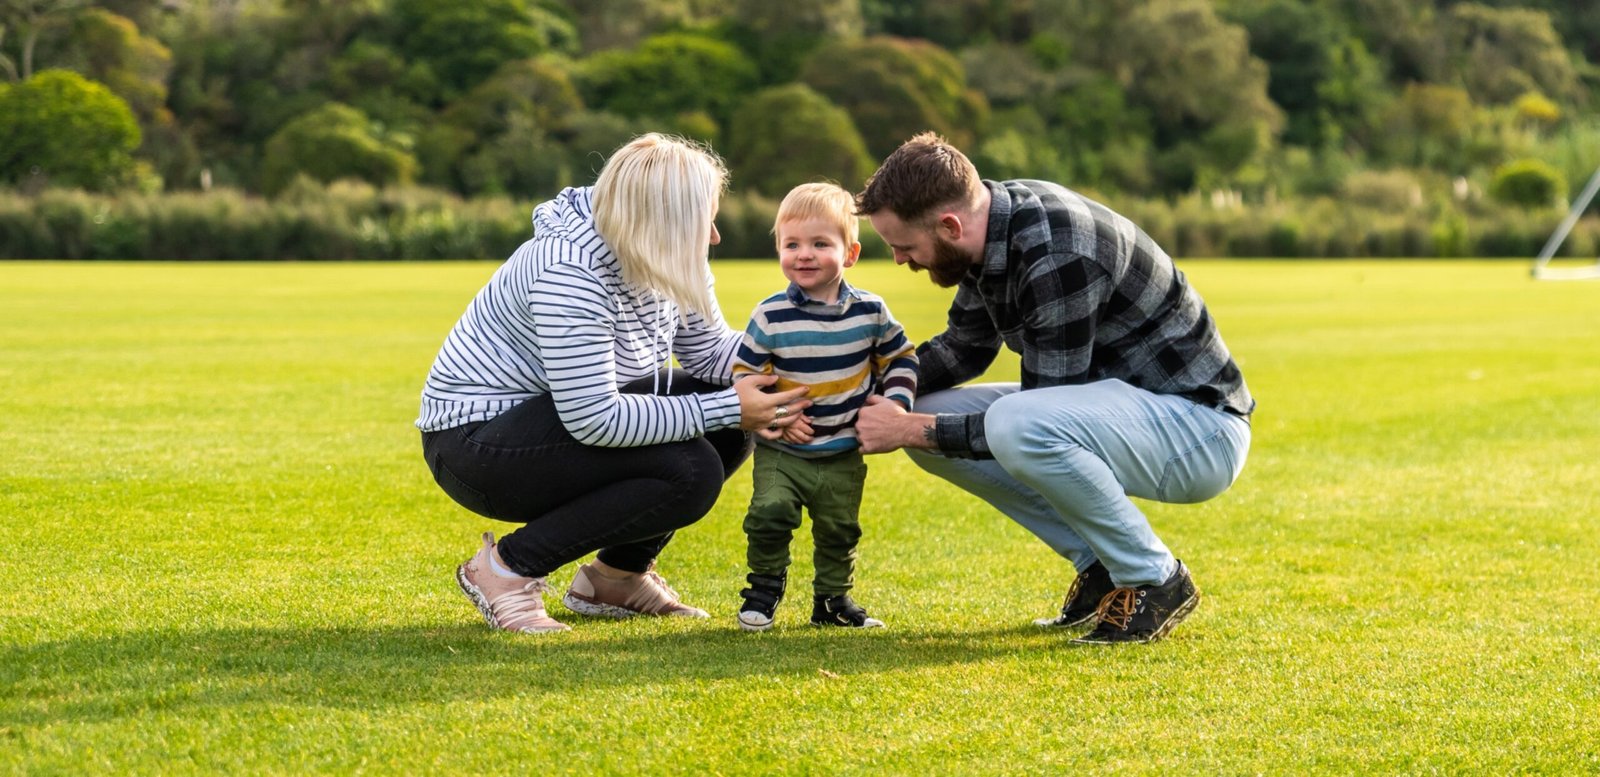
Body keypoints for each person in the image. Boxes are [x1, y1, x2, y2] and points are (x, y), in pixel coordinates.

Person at [853, 133, 1254, 645]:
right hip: (1131, 413)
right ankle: (1102, 567)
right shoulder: (991, 230)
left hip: (1200, 431)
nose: (899, 260)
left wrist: (911, 428)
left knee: (1003, 423)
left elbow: (1040, 409)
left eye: (904, 246)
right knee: (930, 409)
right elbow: (964, 347)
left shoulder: (1056, 252)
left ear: (950, 225)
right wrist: (866, 387)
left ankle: (1155, 579)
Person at [417, 134, 810, 634]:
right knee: (691, 469)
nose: (712, 236)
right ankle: (505, 569)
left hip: (555, 418)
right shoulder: (569, 270)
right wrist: (731, 406)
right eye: (701, 219)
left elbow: (711, 353)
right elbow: (594, 418)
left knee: (734, 427)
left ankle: (615, 579)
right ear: (662, 219)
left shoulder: (663, 252)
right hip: (476, 445)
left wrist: (805, 362)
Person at [729, 182, 919, 632]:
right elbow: (746, 378)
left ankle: (832, 601)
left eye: (820, 244)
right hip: (784, 449)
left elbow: (901, 358)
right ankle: (764, 588)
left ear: (850, 253)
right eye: (791, 244)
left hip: (842, 451)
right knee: (768, 513)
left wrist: (894, 404)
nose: (804, 255)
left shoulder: (870, 311)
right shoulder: (769, 315)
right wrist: (778, 416)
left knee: (839, 530)